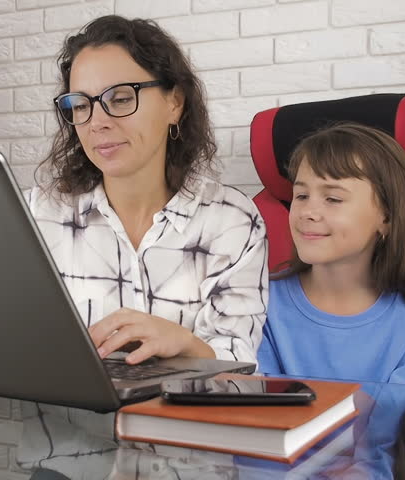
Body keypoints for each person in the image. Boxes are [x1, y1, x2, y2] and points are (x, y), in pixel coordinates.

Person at [18, 15, 268, 479]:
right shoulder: (40, 213)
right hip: (65, 461)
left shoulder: (231, 220)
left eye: (119, 98)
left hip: (190, 464)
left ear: (175, 101)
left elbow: (241, 371)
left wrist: (189, 344)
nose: (96, 122)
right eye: (80, 105)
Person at [257, 122, 405, 387]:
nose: (308, 212)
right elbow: (257, 406)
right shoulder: (256, 304)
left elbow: (393, 421)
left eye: (333, 199)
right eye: (302, 195)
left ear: (386, 217)